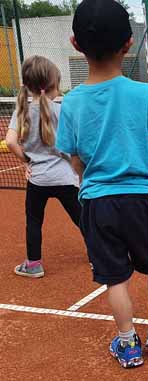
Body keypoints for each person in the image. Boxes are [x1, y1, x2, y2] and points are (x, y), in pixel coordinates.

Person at [56, 0, 148, 368]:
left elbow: (75, 159)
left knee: (115, 278)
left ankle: (127, 344)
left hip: (96, 203)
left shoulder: (72, 102)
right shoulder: (146, 94)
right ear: (129, 44)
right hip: (141, 198)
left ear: (76, 44)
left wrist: (89, 183)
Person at [5, 55, 81, 279]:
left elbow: (10, 141)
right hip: (66, 177)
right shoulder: (62, 109)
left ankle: (33, 265)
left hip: (38, 179)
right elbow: (75, 145)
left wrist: (27, 161)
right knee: (82, 218)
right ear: (53, 84)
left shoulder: (21, 111)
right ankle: (100, 256)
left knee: (34, 221)